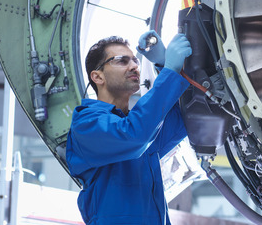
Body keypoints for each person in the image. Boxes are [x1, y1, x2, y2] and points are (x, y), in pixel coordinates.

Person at [66, 31, 192, 224]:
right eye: (122, 61)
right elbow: (134, 135)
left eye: (135, 60)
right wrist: (169, 71)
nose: (134, 66)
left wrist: (162, 64)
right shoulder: (86, 123)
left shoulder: (143, 127)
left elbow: (185, 117)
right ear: (98, 77)